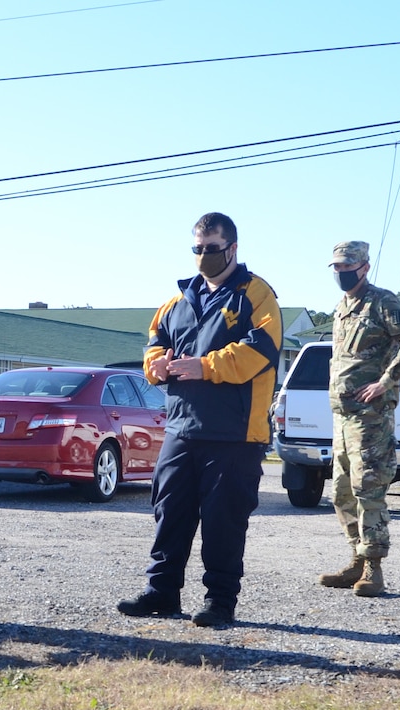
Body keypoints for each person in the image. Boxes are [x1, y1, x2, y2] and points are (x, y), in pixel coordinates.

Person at [117, 212, 282, 628]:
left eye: (212, 248)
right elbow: (154, 346)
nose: (204, 256)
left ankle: (220, 601)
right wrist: (156, 366)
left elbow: (260, 352)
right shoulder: (176, 302)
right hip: (180, 427)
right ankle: (162, 592)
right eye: (198, 249)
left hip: (235, 433)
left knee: (224, 520)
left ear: (232, 248)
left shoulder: (256, 295)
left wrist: (204, 366)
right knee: (169, 511)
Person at [316, 241, 400, 598]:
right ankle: (355, 560)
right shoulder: (342, 308)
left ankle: (373, 568)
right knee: (341, 492)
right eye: (336, 267)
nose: (341, 272)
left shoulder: (382, 302)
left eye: (347, 266)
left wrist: (386, 380)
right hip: (342, 416)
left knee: (369, 489)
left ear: (364, 266)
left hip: (370, 417)